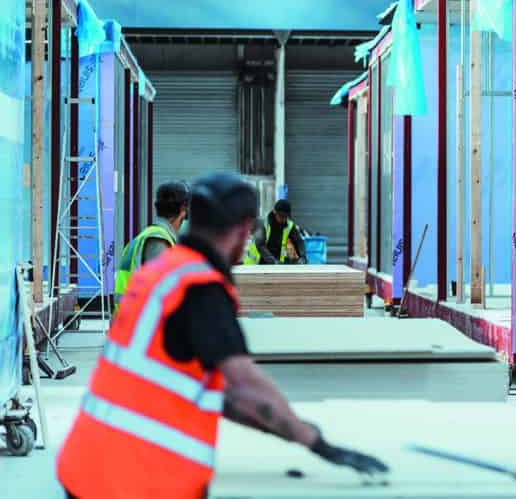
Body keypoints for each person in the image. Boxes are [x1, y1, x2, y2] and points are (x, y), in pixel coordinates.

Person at [57, 172, 387, 499]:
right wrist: (316, 442)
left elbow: (225, 397)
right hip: (137, 481)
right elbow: (245, 385)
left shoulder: (161, 274)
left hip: (89, 467)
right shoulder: (199, 287)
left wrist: (294, 433)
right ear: (243, 230)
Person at [113, 181, 189, 307]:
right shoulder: (158, 240)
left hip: (129, 320)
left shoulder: (145, 236)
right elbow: (162, 292)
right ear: (183, 210)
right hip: (138, 322)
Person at [255, 199, 306, 264]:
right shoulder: (263, 224)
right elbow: (260, 245)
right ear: (274, 212)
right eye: (281, 216)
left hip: (276, 264)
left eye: (285, 217)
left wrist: (303, 257)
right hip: (256, 265)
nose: (283, 219)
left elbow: (299, 241)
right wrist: (273, 261)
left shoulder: (289, 225)